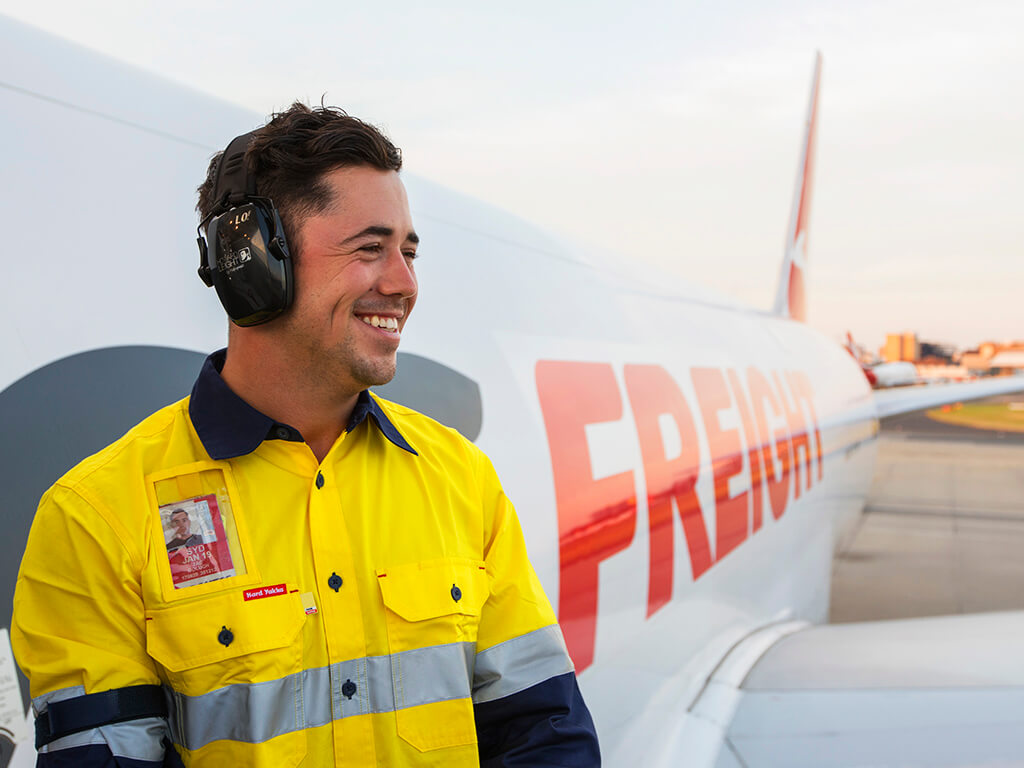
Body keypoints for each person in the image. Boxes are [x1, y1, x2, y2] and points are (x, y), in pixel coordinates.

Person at [12, 103, 600, 767]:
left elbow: (546, 734)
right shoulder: (96, 520)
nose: (404, 284)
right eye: (370, 248)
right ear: (251, 262)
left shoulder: (462, 479)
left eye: (408, 251)